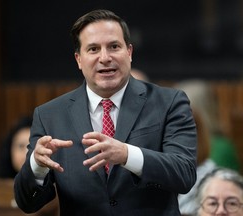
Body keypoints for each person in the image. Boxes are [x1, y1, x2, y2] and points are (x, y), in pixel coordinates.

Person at [14, 9, 197, 216]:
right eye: (93, 49)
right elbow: (27, 203)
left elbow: (184, 174)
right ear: (78, 60)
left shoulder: (168, 102)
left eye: (114, 47)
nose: (105, 57)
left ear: (129, 52)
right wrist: (37, 166)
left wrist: (126, 154)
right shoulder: (49, 116)